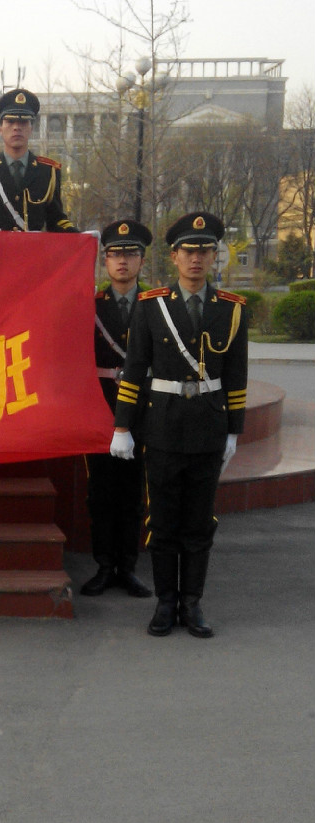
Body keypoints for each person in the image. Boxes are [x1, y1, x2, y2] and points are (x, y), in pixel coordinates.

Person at [111, 210, 248, 639]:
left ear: (215, 256)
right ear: (174, 256)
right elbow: (134, 370)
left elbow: (237, 375)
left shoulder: (232, 310)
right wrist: (122, 426)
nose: (196, 259)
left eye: (205, 250)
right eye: (189, 250)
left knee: (199, 521)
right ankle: (165, 603)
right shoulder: (152, 307)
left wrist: (233, 430)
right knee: (163, 520)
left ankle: (193, 602)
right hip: (164, 427)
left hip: (208, 427)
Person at [81, 219, 153, 598]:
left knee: (133, 490)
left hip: (144, 408)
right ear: (104, 262)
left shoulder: (156, 305)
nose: (122, 261)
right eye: (114, 254)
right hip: (102, 406)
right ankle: (104, 565)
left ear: (142, 261)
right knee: (101, 490)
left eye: (130, 254)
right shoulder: (90, 306)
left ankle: (128, 566)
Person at [0, 88, 77, 235]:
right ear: (0, 129)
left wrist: (78, 235)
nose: (16, 127)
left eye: (23, 122)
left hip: (32, 253)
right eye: (10, 122)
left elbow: (56, 219)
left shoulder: (48, 172)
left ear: (31, 129)